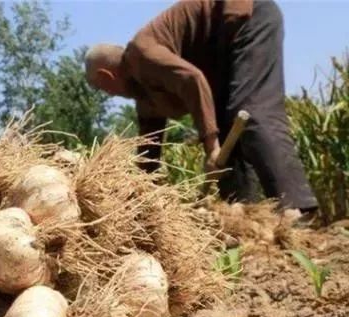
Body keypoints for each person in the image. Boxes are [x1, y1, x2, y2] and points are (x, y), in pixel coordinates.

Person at [84, 0, 318, 214]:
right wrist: (137, 204)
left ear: (106, 76)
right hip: (220, 55)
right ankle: (245, 212)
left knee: (251, 111)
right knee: (227, 126)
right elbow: (148, 154)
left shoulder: (143, 53)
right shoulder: (145, 97)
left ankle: (297, 207)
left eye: (102, 88)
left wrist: (211, 147)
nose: (108, 94)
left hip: (246, 18)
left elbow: (193, 80)